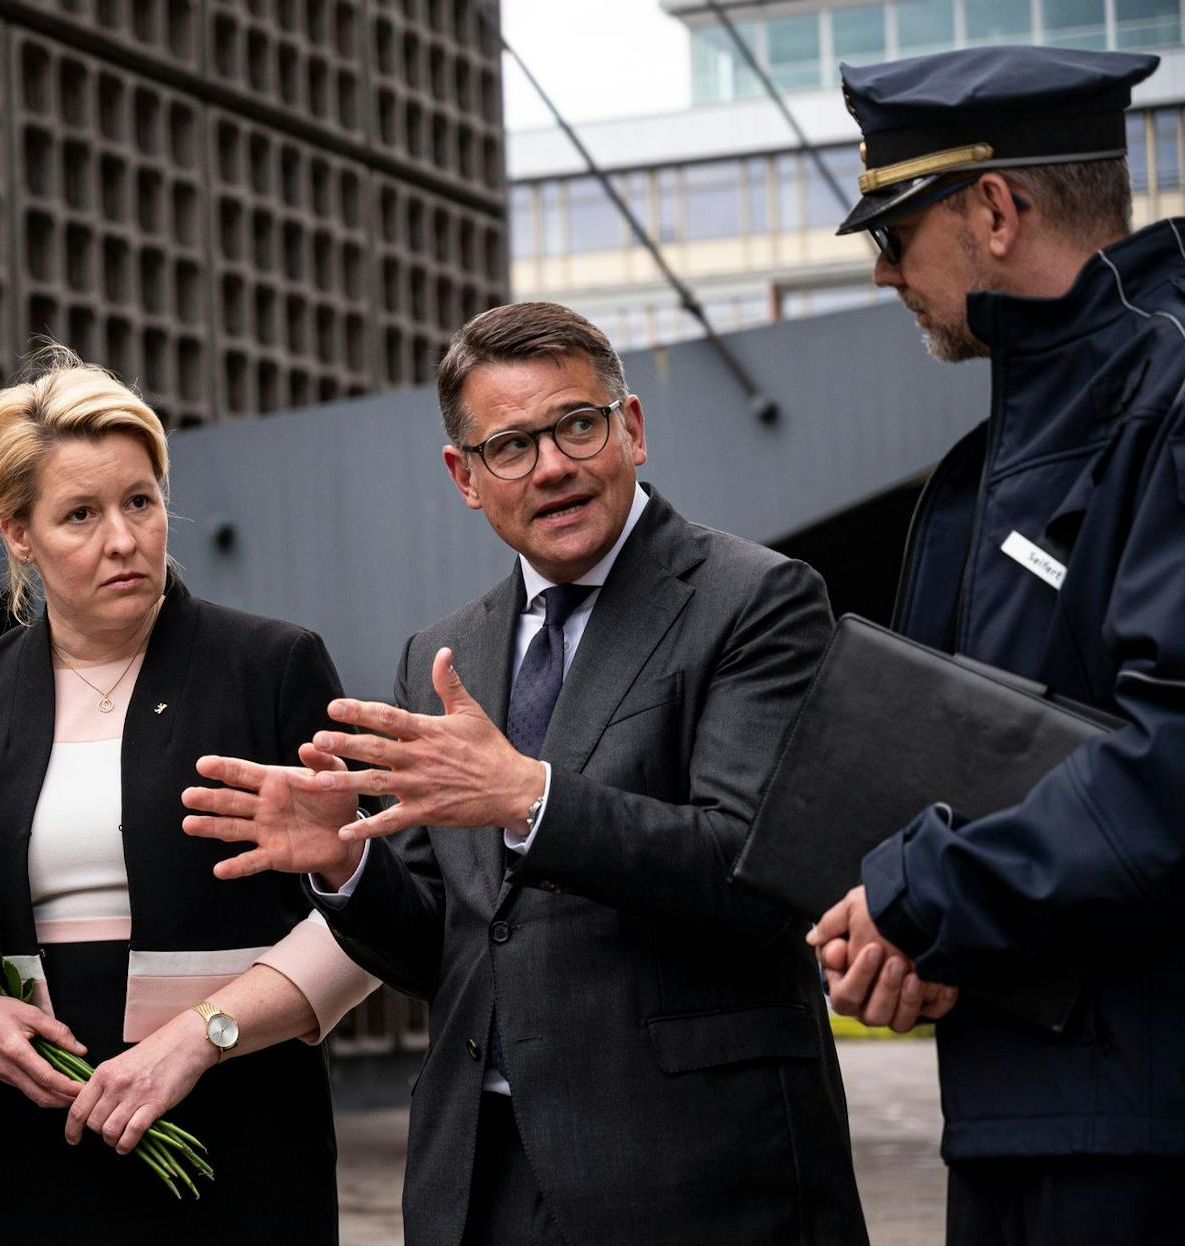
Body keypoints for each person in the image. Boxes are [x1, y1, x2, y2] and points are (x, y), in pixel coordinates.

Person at [185, 303, 867, 1244]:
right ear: (465, 477)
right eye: (510, 446)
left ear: (631, 428)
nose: (551, 466)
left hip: (696, 1174)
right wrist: (345, 868)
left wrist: (528, 799)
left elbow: (754, 871)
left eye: (577, 425)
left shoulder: (757, 601)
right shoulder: (444, 652)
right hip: (481, 1178)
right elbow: (444, 946)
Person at [811, 46, 1185, 1243]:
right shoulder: (1007, 453)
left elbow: (1170, 755)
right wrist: (921, 919)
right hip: (1031, 1105)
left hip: (1143, 1127)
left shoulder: (1163, 401)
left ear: (990, 209)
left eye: (894, 229)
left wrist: (924, 898)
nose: (879, 271)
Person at [0, 351, 377, 1244]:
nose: (124, 539)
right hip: (32, 1131)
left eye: (140, 502)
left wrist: (202, 1034)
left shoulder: (272, 667)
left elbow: (375, 915)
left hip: (239, 1118)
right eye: (80, 514)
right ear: (18, 533)